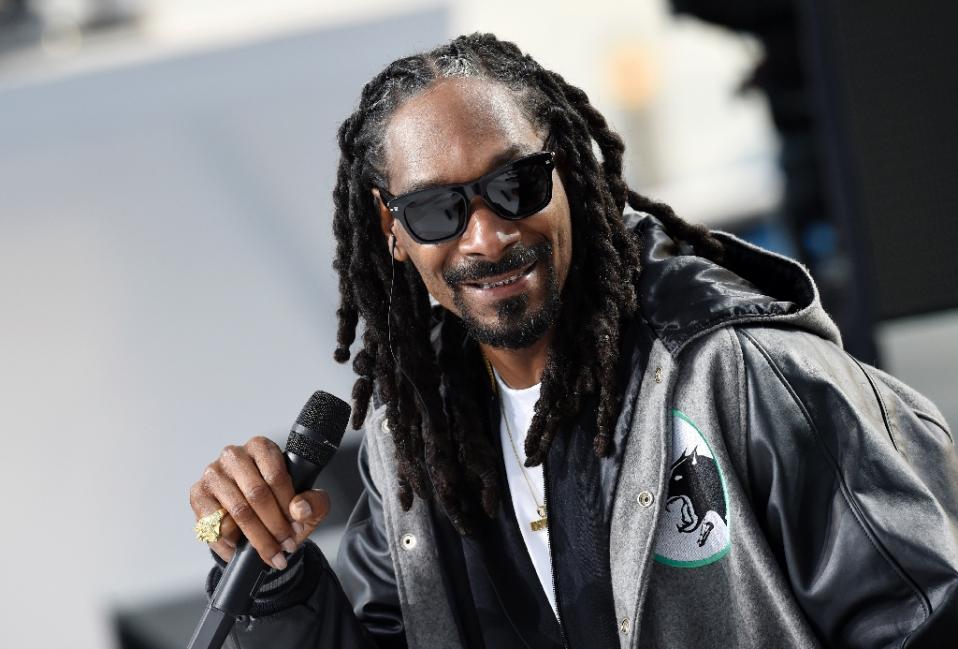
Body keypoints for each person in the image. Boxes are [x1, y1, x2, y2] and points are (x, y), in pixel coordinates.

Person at [188, 34, 958, 648]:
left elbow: (926, 610)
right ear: (392, 229)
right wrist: (277, 579)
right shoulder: (414, 445)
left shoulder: (738, 370)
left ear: (563, 168)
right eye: (436, 211)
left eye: (514, 184)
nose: (486, 235)